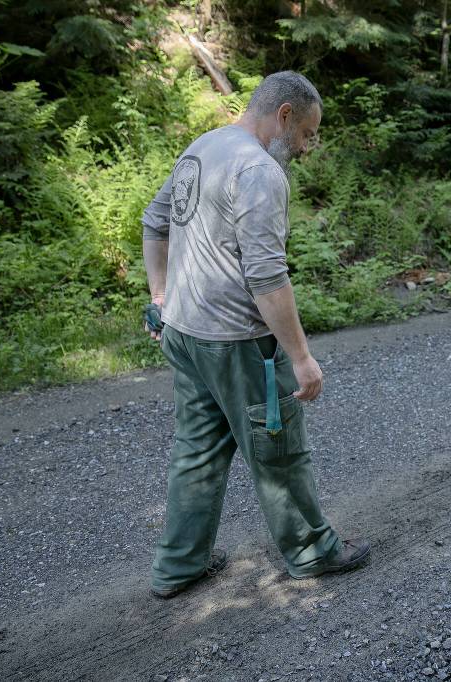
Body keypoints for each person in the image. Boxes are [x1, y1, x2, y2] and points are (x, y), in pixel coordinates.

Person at [140, 71, 370, 599]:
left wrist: (160, 296)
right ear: (284, 115)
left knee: (196, 451)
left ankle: (178, 566)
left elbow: (154, 222)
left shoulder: (202, 147)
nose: (309, 147)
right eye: (308, 134)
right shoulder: (259, 171)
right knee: (278, 449)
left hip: (184, 333)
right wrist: (303, 359)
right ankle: (313, 550)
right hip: (237, 342)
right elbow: (266, 276)